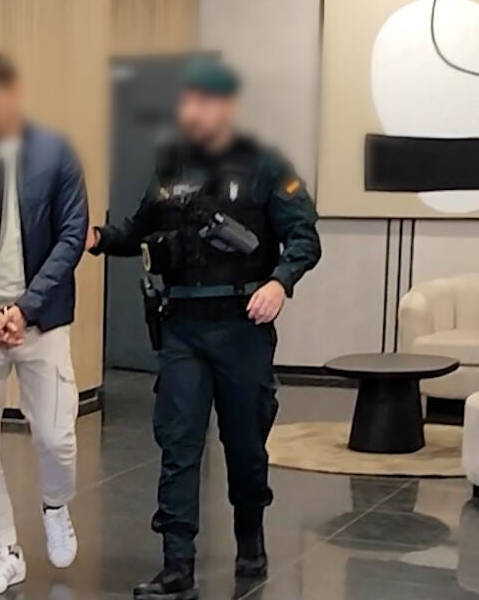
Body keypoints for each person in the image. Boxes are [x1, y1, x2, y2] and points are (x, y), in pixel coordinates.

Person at [87, 57, 321, 600]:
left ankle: (250, 540)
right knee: (178, 445)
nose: (192, 112)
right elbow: (135, 231)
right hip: (183, 330)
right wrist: (97, 237)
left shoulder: (265, 164)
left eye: (204, 102)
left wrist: (280, 283)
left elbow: (305, 238)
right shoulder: (170, 169)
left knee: (245, 447)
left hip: (242, 327)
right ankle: (177, 566)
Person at [0, 51, 89, 596]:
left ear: (15, 94)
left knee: (56, 437)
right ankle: (4, 551)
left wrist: (26, 308)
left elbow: (72, 235)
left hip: (41, 321)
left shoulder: (56, 153)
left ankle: (55, 505)